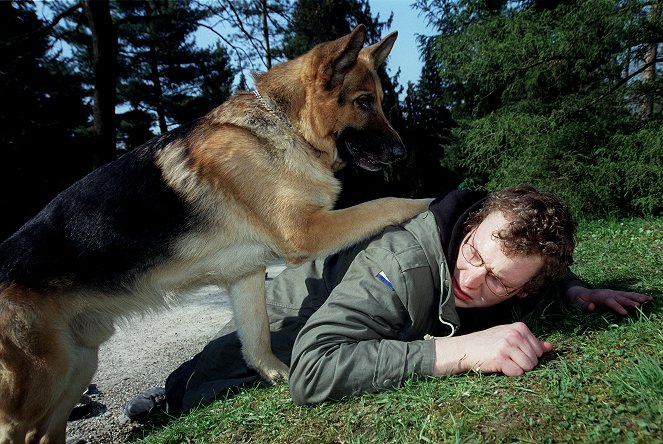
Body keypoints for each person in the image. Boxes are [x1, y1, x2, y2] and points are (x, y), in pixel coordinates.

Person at [124, 185, 651, 418]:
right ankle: (166, 390)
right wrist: (461, 352)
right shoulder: (407, 265)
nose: (473, 278)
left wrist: (576, 289)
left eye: (501, 284)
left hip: (360, 304)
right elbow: (311, 372)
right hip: (291, 313)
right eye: (473, 253)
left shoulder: (506, 246)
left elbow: (531, 264)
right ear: (471, 225)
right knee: (211, 376)